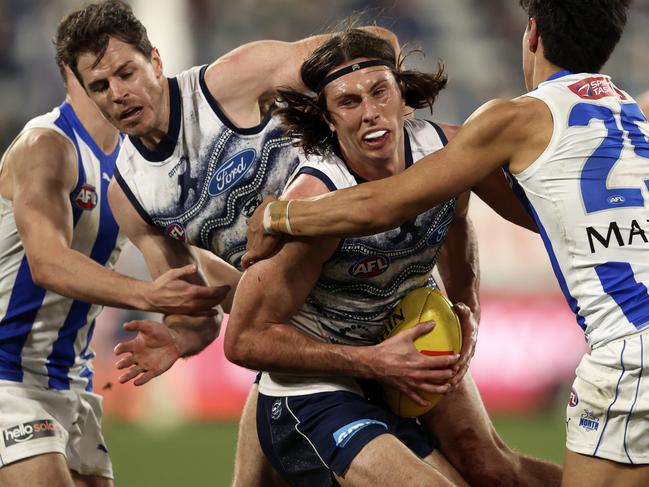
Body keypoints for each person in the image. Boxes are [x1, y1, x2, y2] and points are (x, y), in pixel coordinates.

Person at [245, 1, 649, 486]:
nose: (371, 113)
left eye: (380, 92)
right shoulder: (631, 111)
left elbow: (390, 206)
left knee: (494, 468)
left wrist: (278, 214)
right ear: (329, 120)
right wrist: (373, 359)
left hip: (624, 351)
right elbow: (244, 337)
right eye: (350, 102)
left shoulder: (495, 128)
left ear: (533, 35)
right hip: (322, 381)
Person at [54, 2, 431, 486]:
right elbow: (198, 310)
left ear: (156, 59)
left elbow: (380, 42)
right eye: (100, 87)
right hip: (306, 337)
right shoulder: (129, 195)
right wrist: (177, 338)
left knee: (482, 463)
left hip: (382, 285)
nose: (119, 93)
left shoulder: (230, 82)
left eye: (127, 72)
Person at [0, 63, 228, 487]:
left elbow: (196, 266)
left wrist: (275, 300)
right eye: (100, 78)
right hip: (8, 375)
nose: (117, 90)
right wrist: (150, 295)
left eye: (124, 72)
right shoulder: (45, 145)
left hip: (73, 380)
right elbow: (47, 263)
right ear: (71, 72)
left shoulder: (135, 164)